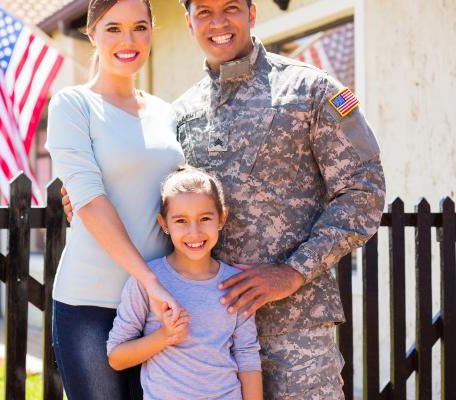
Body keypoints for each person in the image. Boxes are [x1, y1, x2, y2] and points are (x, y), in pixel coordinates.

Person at [61, 0, 386, 398]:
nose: (218, 23)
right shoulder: (178, 114)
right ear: (188, 23)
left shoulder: (310, 90)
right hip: (200, 338)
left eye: (230, 7)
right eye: (204, 12)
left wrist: (293, 271)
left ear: (252, 13)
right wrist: (83, 195)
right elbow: (161, 195)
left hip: (294, 329)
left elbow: (363, 191)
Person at [45, 0, 186, 398]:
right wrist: (150, 283)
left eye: (140, 27)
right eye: (113, 29)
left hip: (158, 306)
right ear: (92, 35)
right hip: (91, 303)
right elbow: (89, 201)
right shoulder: (73, 105)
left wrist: (164, 287)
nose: (129, 40)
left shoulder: (166, 113)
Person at [107, 165, 263, 400]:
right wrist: (165, 336)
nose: (194, 231)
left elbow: (247, 354)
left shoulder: (235, 283)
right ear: (163, 223)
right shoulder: (148, 282)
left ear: (222, 218)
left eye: (205, 218)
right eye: (181, 220)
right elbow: (117, 358)